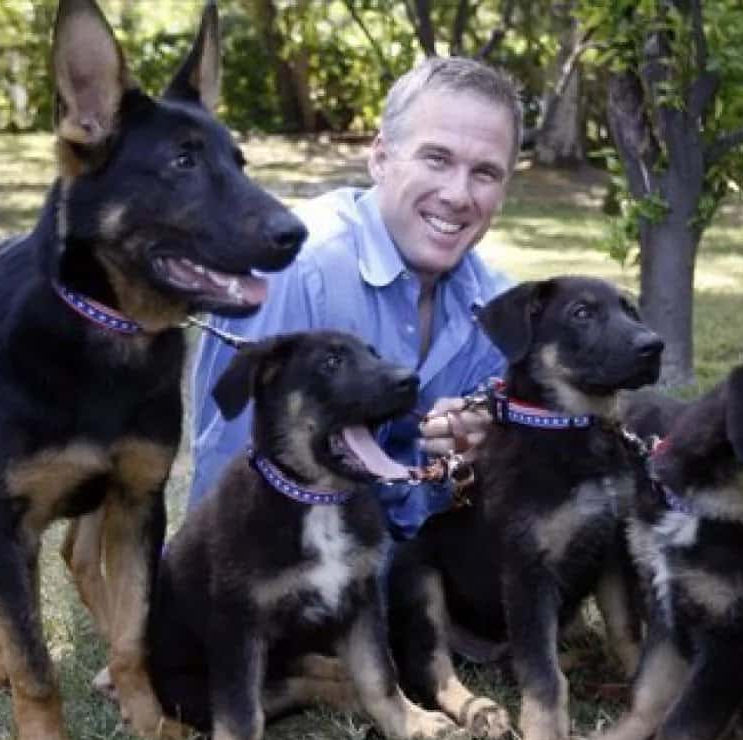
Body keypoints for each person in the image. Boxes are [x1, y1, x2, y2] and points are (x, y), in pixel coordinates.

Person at [188, 56, 522, 539]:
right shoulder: (298, 273)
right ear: (381, 157)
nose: (458, 194)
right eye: (437, 159)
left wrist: (471, 457)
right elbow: (224, 486)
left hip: (405, 585)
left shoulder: (496, 309)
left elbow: (475, 500)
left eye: (485, 173)